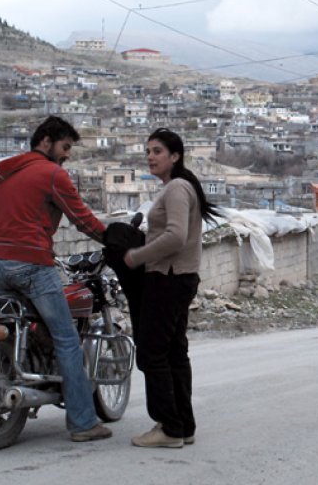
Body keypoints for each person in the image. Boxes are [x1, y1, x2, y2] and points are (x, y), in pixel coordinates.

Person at [0, 116, 112, 443]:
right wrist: (112, 239)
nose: (67, 154)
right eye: (65, 147)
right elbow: (82, 219)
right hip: (32, 264)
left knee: (13, 328)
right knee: (67, 339)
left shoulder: (5, 172)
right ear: (46, 142)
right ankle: (84, 423)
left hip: (0, 263)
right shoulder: (52, 174)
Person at [125, 128, 220, 449]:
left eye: (157, 151)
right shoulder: (178, 187)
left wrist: (137, 256)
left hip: (168, 278)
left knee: (152, 353)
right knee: (175, 352)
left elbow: (176, 236)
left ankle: (169, 426)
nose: (150, 157)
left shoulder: (177, 188)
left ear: (175, 156)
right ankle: (183, 425)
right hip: (180, 278)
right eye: (148, 151)